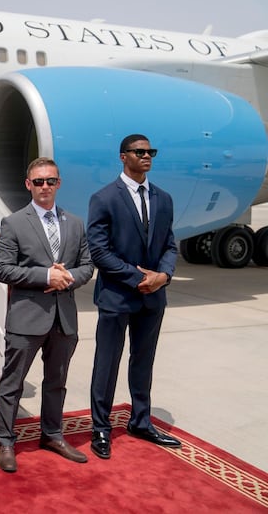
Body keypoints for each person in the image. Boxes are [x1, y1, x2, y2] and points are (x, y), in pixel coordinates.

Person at [0, 158, 94, 473]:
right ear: (28, 185)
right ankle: (6, 441)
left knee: (56, 382)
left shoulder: (75, 223)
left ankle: (52, 434)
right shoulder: (13, 223)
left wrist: (68, 278)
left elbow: (87, 265)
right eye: (38, 182)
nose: (45, 187)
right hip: (27, 318)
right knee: (13, 383)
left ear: (59, 183)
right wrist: (45, 276)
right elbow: (4, 269)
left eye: (50, 181)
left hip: (63, 319)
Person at [87, 134, 181, 460]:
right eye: (140, 152)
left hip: (153, 299)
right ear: (123, 157)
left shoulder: (164, 199)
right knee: (107, 364)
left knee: (143, 363)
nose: (147, 156)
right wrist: (137, 277)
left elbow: (170, 244)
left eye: (150, 151)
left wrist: (163, 277)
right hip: (116, 297)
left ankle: (140, 421)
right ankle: (100, 427)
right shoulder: (104, 198)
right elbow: (99, 250)